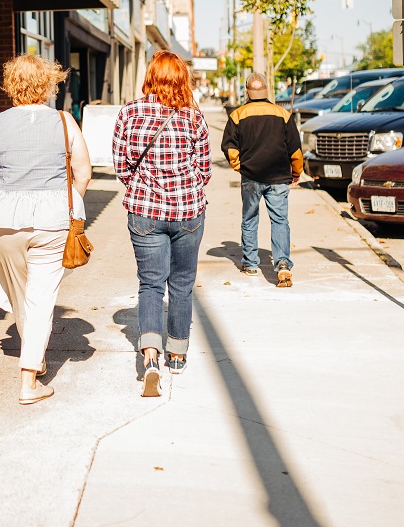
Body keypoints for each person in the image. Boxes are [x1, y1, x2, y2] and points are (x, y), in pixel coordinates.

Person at [0, 55, 91, 405]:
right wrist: (65, 202)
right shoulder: (64, 120)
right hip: (53, 221)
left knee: (20, 295)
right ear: (47, 84)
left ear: (11, 84)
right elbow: (83, 173)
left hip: (3, 221)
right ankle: (29, 380)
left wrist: (7, 202)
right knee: (40, 299)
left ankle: (34, 357)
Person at [112, 50, 212, 396]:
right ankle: (178, 354)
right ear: (182, 79)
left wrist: (144, 187)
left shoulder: (129, 112)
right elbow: (205, 171)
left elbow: (122, 166)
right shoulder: (194, 118)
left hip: (145, 212)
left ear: (151, 76)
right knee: (182, 285)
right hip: (187, 211)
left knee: (150, 285)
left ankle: (150, 357)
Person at [221, 72, 303, 286]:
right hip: (278, 178)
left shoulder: (238, 115)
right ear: (267, 90)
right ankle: (283, 264)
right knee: (280, 220)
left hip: (251, 177)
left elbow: (229, 148)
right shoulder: (282, 114)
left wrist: (241, 168)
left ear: (247, 92)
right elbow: (295, 150)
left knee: (250, 219)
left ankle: (250, 264)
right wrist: (296, 171)